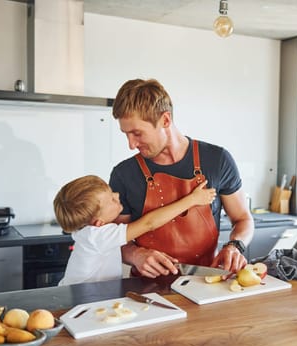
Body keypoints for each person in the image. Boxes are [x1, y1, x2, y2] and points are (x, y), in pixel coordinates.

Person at [109, 78, 254, 278]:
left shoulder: (217, 160)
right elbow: (112, 240)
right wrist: (135, 254)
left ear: (165, 120)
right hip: (145, 291)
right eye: (126, 134)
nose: (131, 144)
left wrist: (235, 245)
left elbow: (243, 219)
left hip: (205, 280)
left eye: (137, 134)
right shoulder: (124, 174)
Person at [53, 174, 216, 285]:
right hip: (81, 299)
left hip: (90, 296)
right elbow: (149, 223)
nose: (117, 195)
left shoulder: (88, 232)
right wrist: (192, 200)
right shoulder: (98, 235)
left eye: (112, 192)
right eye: (111, 199)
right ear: (98, 222)